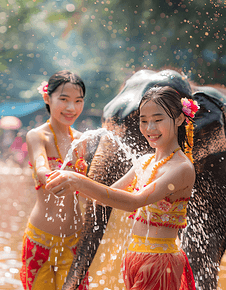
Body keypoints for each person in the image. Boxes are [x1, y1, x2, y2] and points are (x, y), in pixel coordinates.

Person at [46, 85, 198, 290]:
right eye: (144, 121)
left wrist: (78, 181)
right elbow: (103, 199)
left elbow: (133, 202)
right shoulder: (145, 161)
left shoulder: (182, 168)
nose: (149, 128)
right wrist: (72, 179)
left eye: (158, 119)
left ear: (179, 119)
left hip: (161, 262)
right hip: (134, 257)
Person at [20, 70, 89, 290]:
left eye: (78, 101)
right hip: (40, 241)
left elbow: (90, 189)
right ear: (47, 98)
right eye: (64, 99)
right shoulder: (37, 136)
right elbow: (41, 168)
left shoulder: (82, 140)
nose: (72, 108)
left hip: (75, 241)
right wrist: (56, 176)